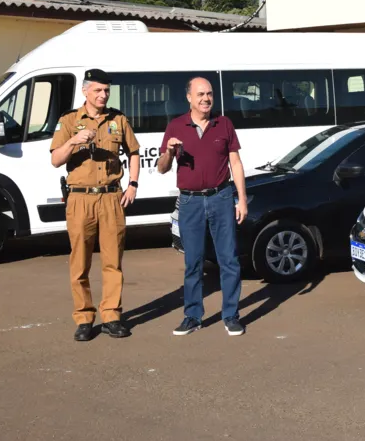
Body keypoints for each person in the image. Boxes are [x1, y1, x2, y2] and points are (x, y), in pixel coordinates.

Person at [50, 68, 140, 342]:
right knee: (80, 263)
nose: (103, 95)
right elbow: (55, 159)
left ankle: (112, 315)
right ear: (85, 91)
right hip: (79, 199)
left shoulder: (118, 119)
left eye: (106, 91)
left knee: (113, 261)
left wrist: (133, 184)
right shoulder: (68, 121)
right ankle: (84, 318)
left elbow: (134, 152)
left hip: (111, 197)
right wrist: (74, 141)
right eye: (98, 90)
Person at [158, 76, 248, 337]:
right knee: (193, 262)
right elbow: (162, 168)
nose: (206, 99)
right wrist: (169, 153)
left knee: (228, 260)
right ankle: (192, 316)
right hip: (190, 202)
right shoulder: (176, 126)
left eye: (209, 94)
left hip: (221, 197)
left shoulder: (224, 124)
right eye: (200, 94)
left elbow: (236, 163)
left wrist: (241, 199)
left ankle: (231, 315)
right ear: (189, 98)